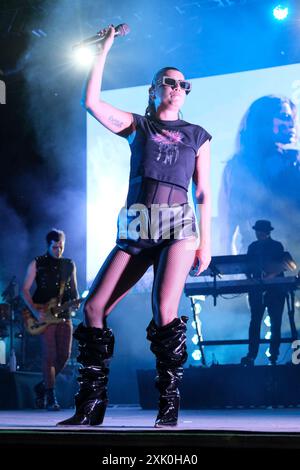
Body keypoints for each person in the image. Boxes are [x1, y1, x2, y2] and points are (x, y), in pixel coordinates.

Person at [58, 25, 212, 427]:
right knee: (93, 307)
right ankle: (91, 406)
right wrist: (104, 49)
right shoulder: (137, 127)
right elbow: (91, 102)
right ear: (154, 88)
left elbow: (204, 194)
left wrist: (205, 245)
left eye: (184, 84)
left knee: (164, 309)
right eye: (170, 82)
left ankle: (169, 404)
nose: (177, 88)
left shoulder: (197, 135)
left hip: (178, 227)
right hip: (136, 228)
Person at [218, 95, 299, 255]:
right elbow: (228, 228)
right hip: (256, 264)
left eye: (292, 118)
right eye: (284, 117)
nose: (291, 124)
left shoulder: (295, 160)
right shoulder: (237, 167)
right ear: (264, 121)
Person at [22, 229, 79, 410]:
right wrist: (34, 310)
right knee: (49, 355)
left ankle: (41, 386)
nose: (58, 250)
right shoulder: (37, 263)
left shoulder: (69, 264)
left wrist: (75, 303)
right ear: (48, 245)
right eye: (55, 247)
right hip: (43, 314)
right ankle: (50, 396)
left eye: (61, 246)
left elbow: (74, 290)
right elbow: (24, 290)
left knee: (64, 356)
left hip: (63, 315)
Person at [240, 220, 287, 367]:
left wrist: (270, 276)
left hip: (276, 290)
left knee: (275, 323)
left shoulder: (277, 246)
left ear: (267, 232)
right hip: (257, 290)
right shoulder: (253, 247)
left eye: (261, 231)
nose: (258, 233)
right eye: (257, 231)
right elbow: (247, 267)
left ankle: (274, 355)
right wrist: (251, 280)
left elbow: (283, 265)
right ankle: (252, 355)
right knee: (255, 322)